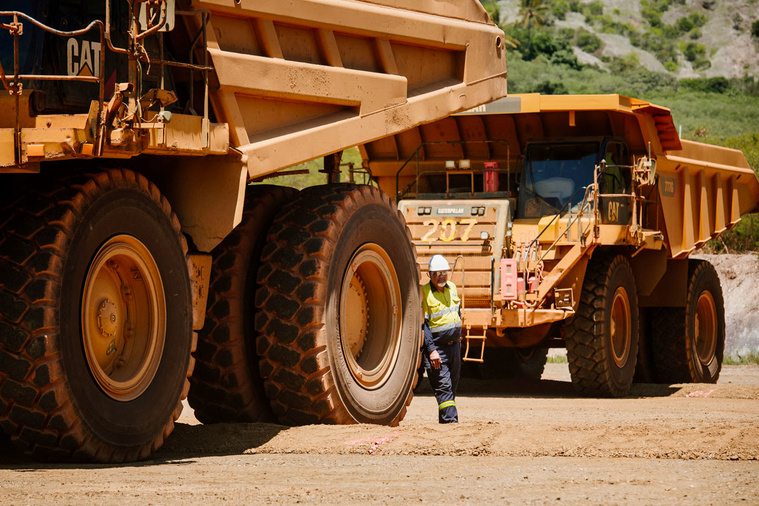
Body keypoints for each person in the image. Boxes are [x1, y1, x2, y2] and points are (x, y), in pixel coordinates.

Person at [421, 254, 462, 423]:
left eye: (444, 272)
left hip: (455, 348)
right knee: (443, 387)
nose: (441, 276)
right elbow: (424, 325)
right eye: (437, 273)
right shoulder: (424, 293)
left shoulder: (452, 287)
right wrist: (431, 351)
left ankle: (444, 425)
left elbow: (456, 312)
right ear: (430, 275)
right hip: (438, 350)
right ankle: (452, 424)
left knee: (451, 389)